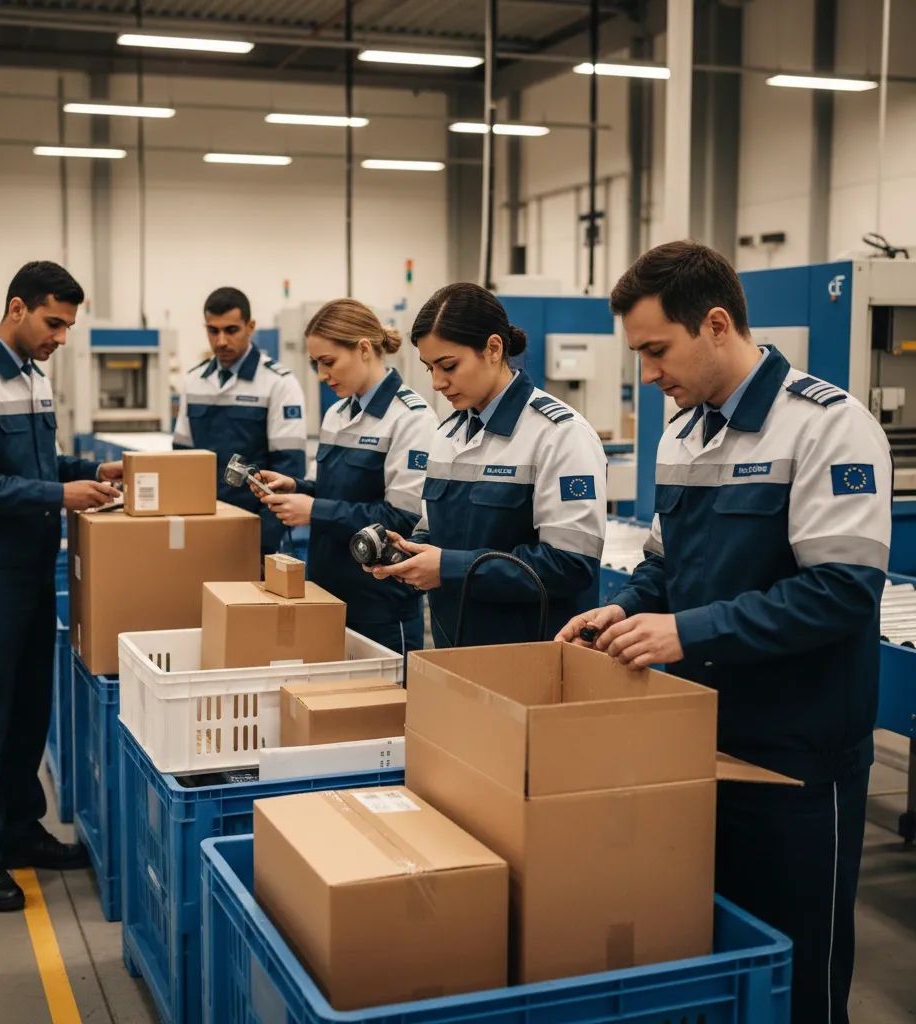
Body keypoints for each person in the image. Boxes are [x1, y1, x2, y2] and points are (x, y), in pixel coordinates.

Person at [556, 241, 892, 1024]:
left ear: (714, 325)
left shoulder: (828, 428)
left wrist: (686, 633)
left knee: (797, 966)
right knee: (722, 954)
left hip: (798, 755)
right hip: (701, 738)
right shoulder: (683, 432)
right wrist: (627, 610)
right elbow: (665, 566)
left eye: (655, 350)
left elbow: (842, 592)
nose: (647, 374)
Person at [0, 261, 124, 913]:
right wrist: (58, 492)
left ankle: (19, 829)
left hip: (35, 568)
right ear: (17, 308)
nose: (61, 337)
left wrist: (87, 469)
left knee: (30, 704)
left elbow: (36, 467)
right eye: (54, 322)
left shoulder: (34, 378)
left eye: (68, 325)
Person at [369, 282, 607, 648]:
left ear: (493, 348)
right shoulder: (448, 434)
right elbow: (435, 527)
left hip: (528, 657)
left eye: (448, 365)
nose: (436, 383)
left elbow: (570, 566)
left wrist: (448, 568)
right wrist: (410, 552)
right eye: (429, 368)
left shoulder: (559, 435)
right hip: (455, 649)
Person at [250, 298, 436, 657]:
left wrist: (313, 510)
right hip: (327, 591)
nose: (322, 375)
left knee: (382, 709)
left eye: (328, 362)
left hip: (380, 602)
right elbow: (330, 489)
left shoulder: (411, 420)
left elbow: (403, 520)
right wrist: (296, 488)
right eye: (316, 364)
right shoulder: (337, 413)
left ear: (364, 349)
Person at [173, 287, 307, 554]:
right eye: (213, 330)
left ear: (250, 327)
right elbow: (182, 462)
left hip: (254, 532)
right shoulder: (194, 381)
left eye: (231, 330)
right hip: (201, 527)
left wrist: (263, 541)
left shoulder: (279, 384)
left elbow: (289, 471)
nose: (221, 341)